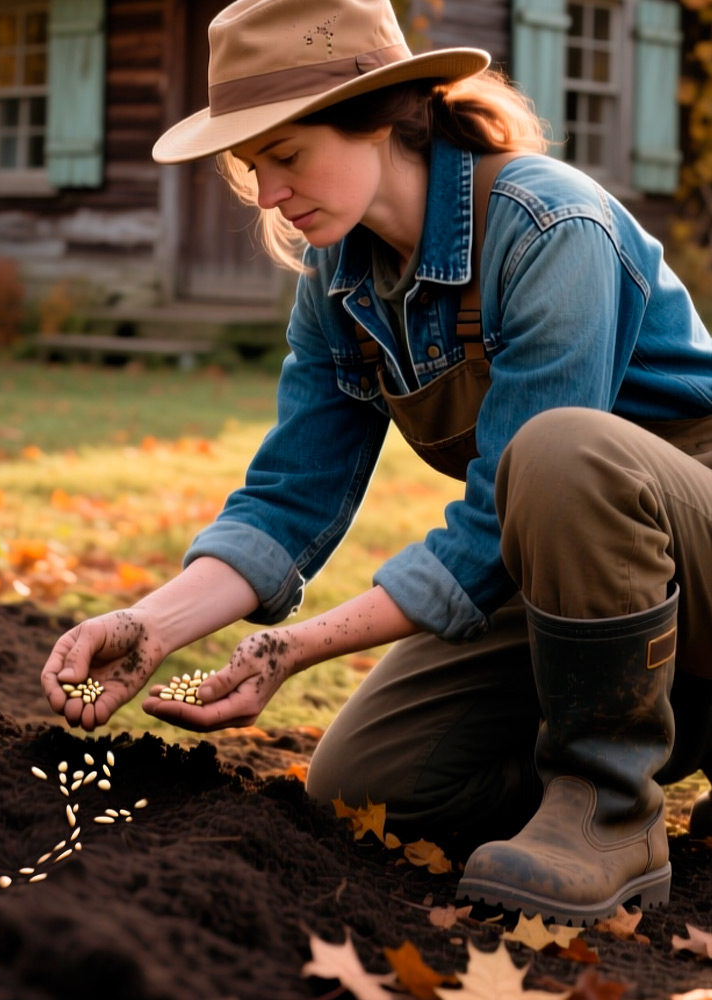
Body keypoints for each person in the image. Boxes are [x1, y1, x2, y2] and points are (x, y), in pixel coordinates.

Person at [41, 0, 712, 926]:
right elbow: (289, 497)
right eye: (253, 167)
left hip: (690, 539)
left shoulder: (549, 224)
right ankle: (674, 721)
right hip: (574, 577)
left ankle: (605, 806)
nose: (268, 194)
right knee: (370, 784)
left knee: (560, 450)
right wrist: (149, 626)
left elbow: (498, 517)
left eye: (287, 155)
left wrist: (293, 646)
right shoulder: (341, 282)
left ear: (383, 117)